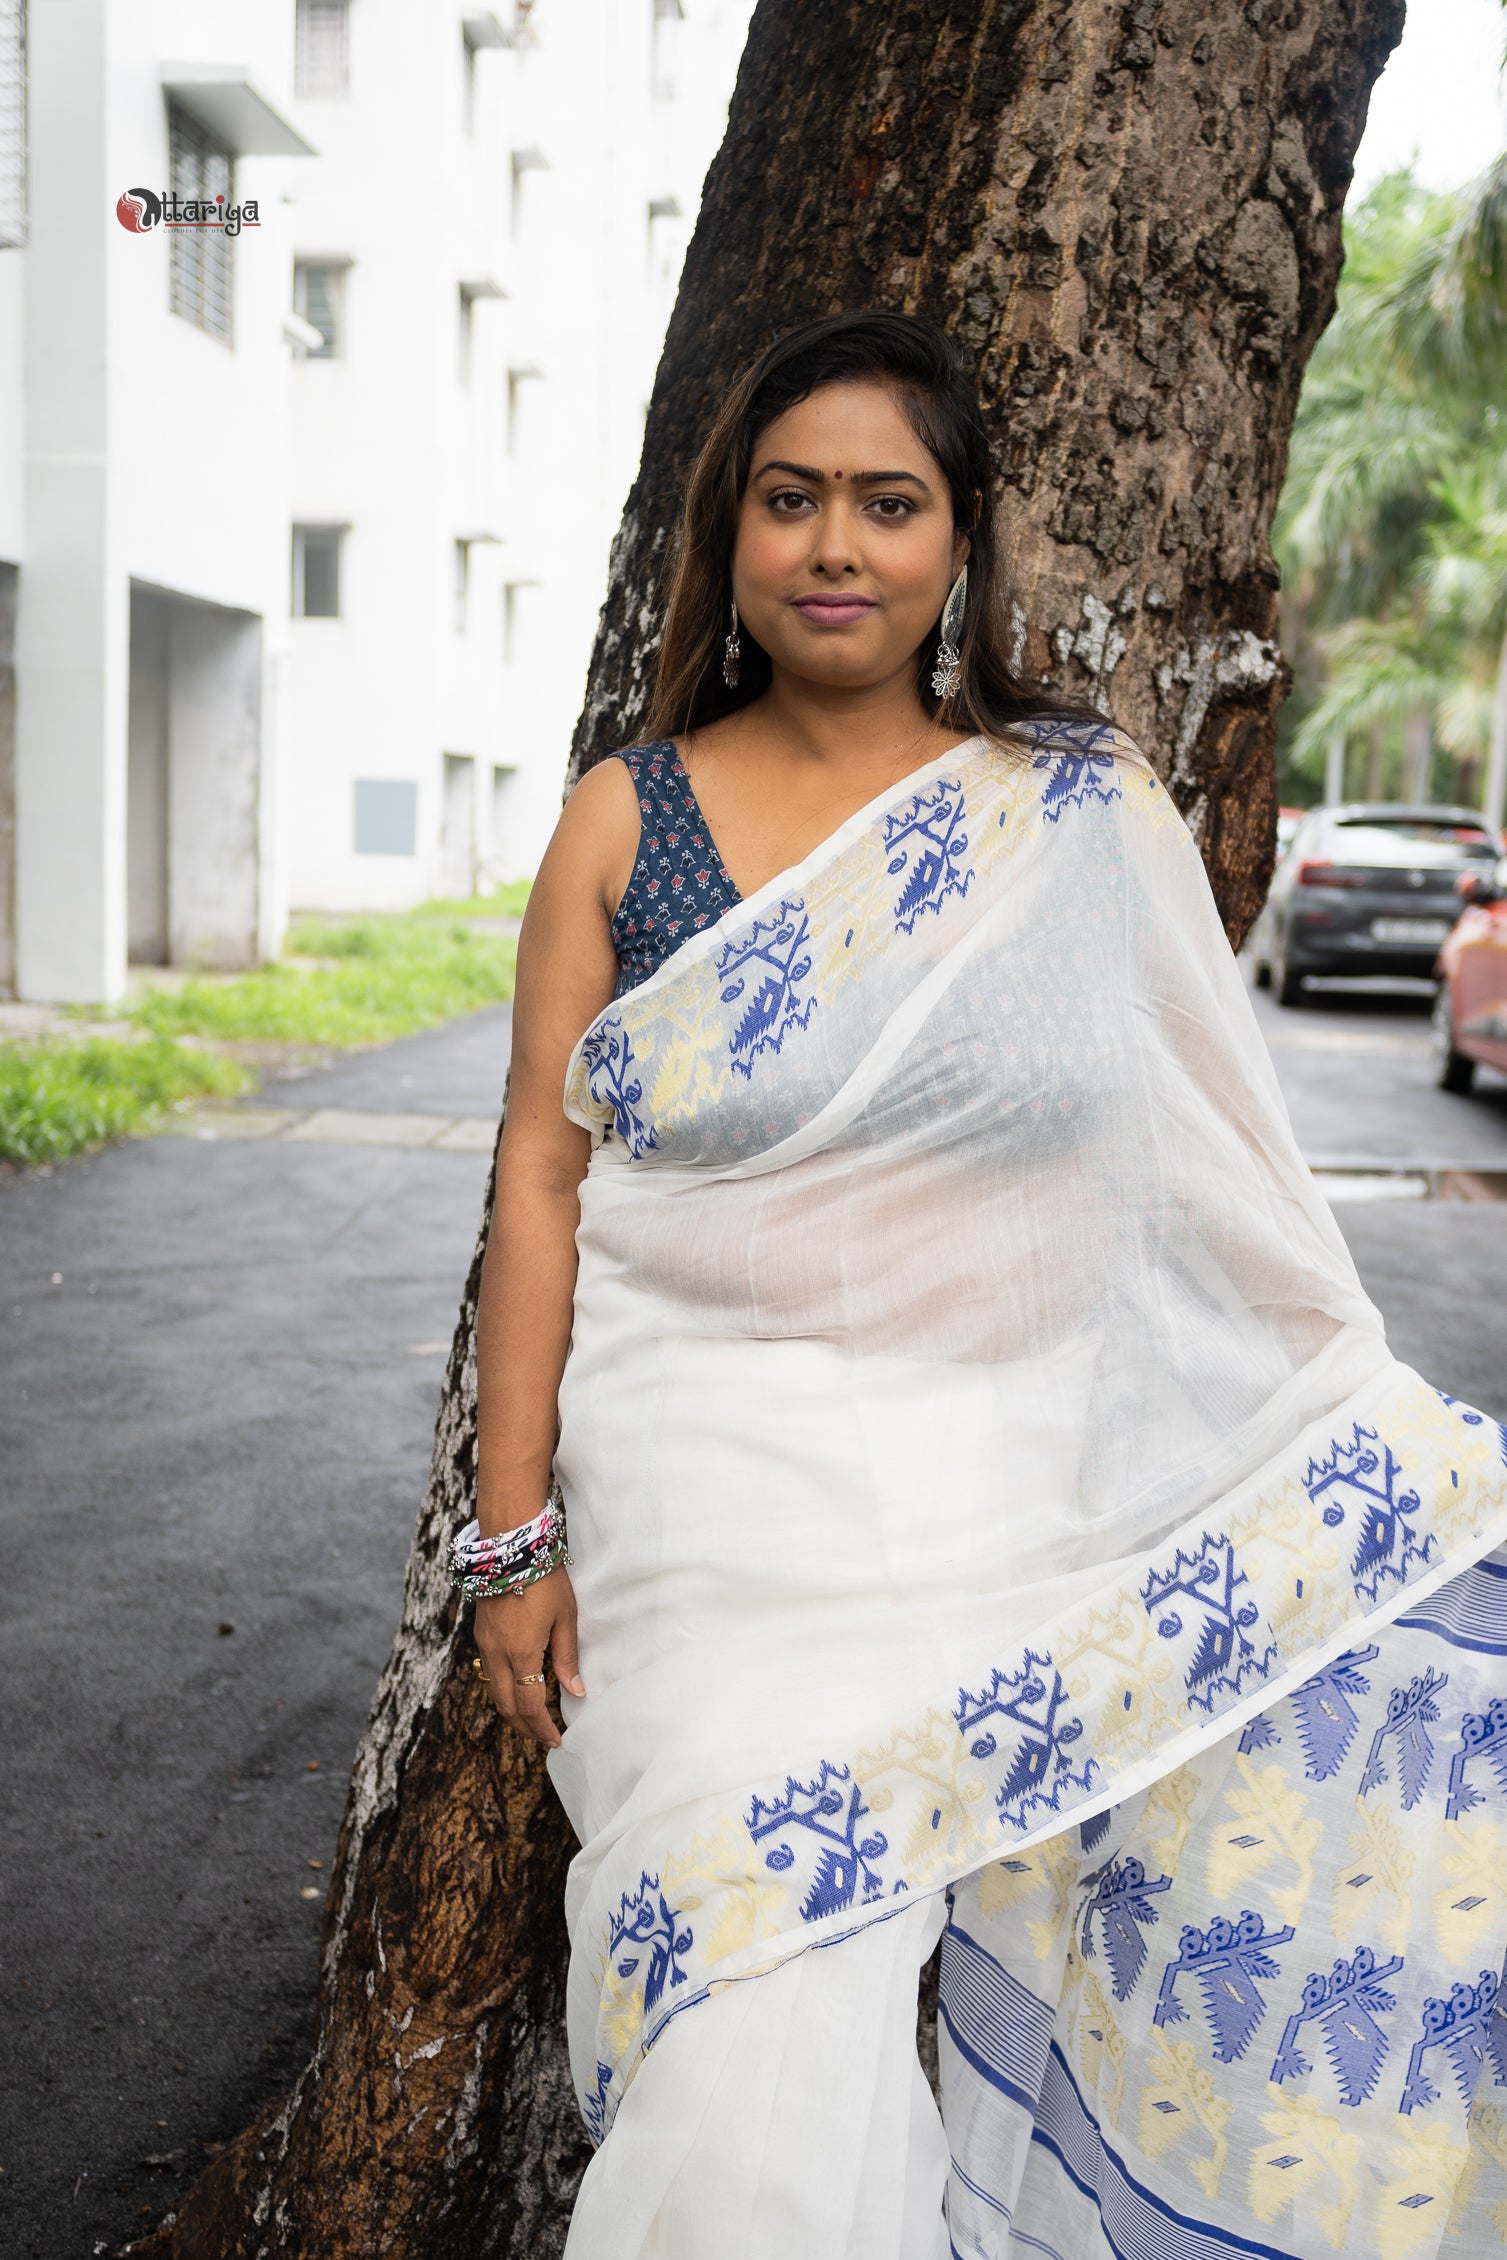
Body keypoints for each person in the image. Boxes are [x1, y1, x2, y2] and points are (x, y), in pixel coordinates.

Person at [461, 312, 1507, 2260]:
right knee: (750, 2009)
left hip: (1001, 1502)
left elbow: (1211, 1174)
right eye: (791, 501)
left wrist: (1343, 1447)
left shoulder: (1071, 815)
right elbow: (541, 1170)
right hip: (704, 1508)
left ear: (957, 544)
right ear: (733, 534)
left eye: (886, 502)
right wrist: (509, 1535)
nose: (833, 545)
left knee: (871, 2016)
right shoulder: (629, 813)